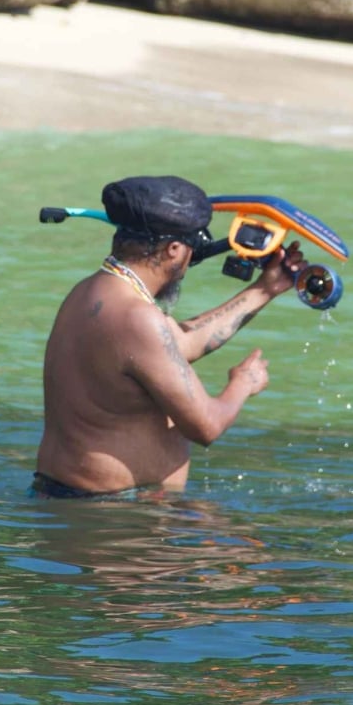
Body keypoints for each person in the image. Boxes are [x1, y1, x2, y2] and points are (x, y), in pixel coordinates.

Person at [34, 175, 308, 498]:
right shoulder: (138, 319)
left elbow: (177, 343)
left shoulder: (92, 292)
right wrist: (243, 383)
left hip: (75, 501)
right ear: (174, 249)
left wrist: (265, 289)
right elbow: (206, 426)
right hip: (112, 515)